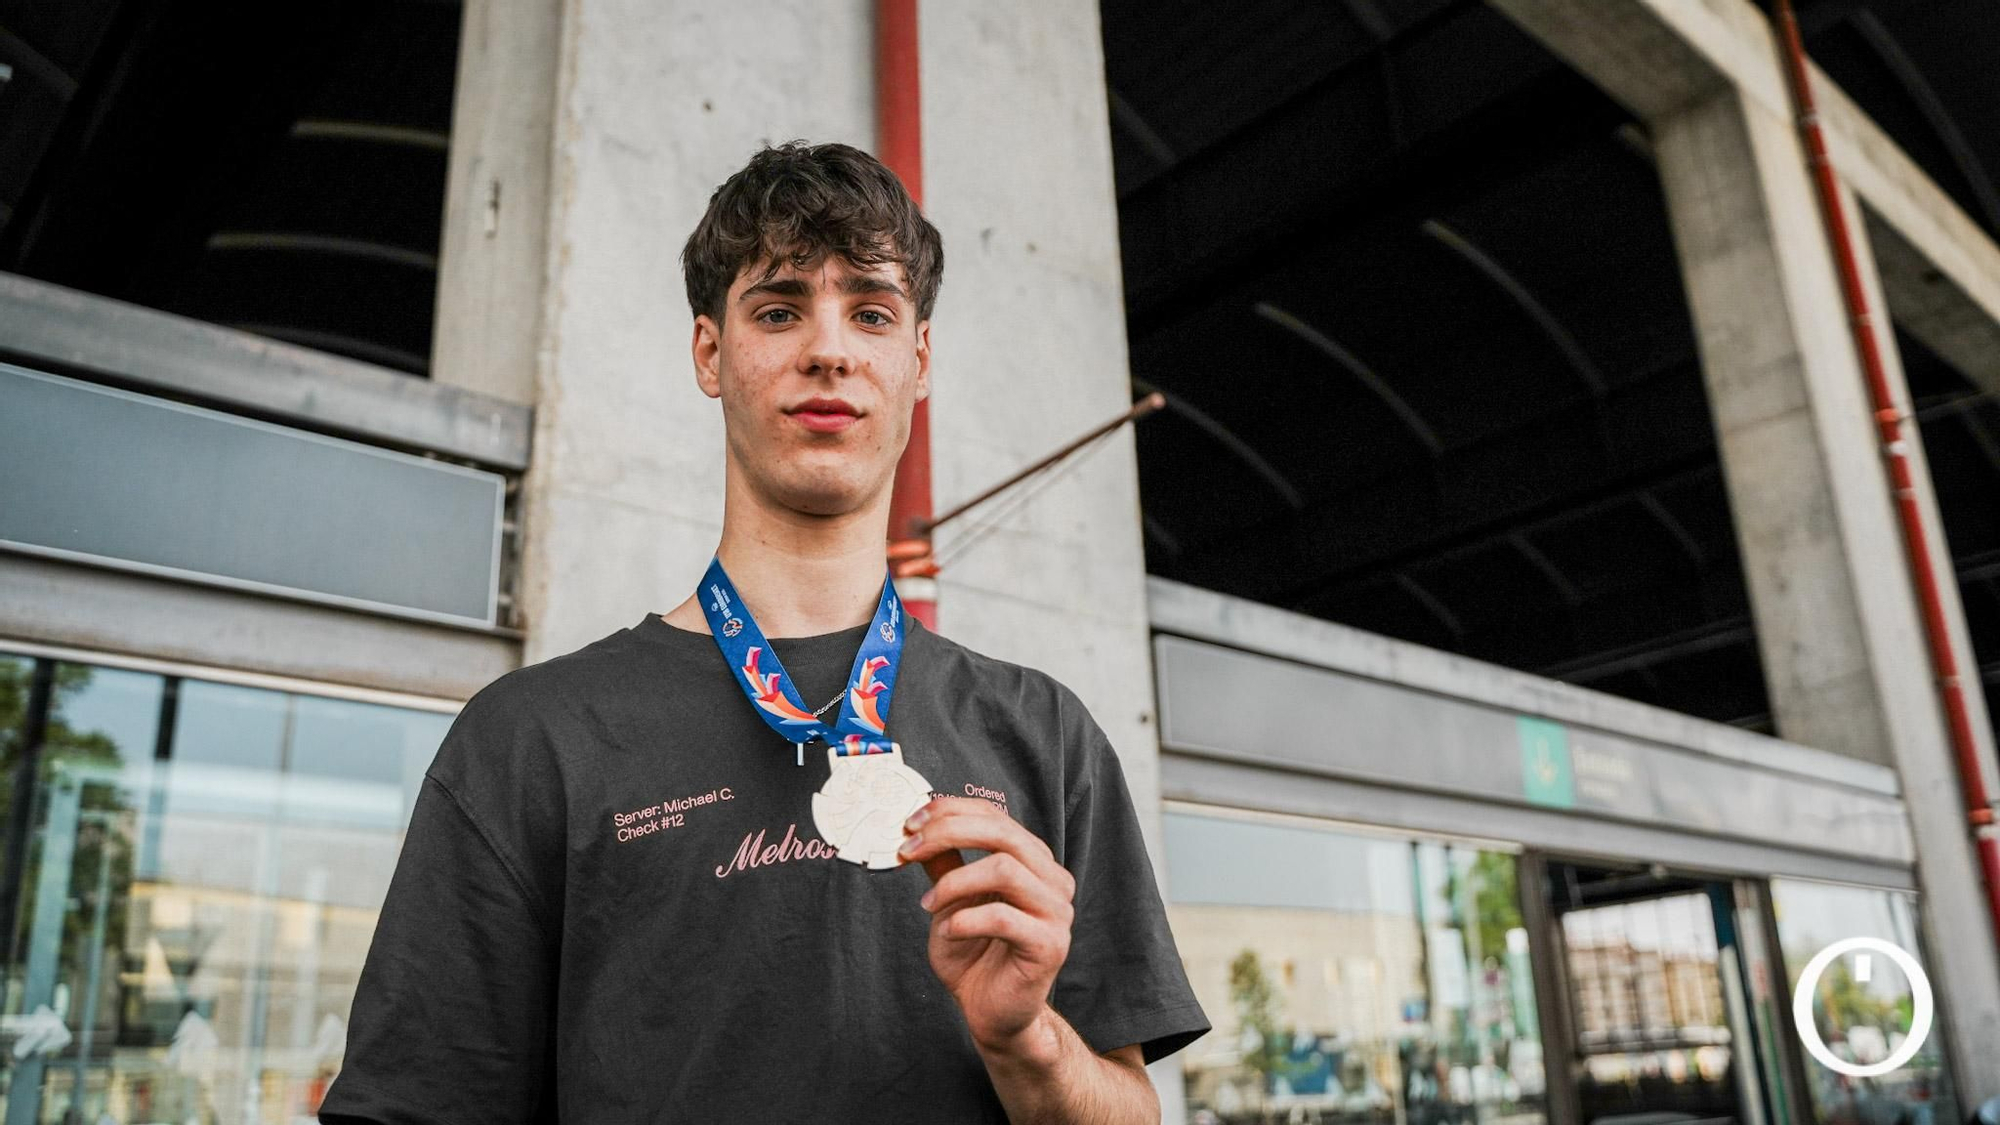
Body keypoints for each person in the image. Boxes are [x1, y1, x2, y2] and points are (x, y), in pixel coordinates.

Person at [318, 140, 1208, 1123]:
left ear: (916, 363)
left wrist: (1026, 1042)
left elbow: (1129, 1108)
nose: (828, 348)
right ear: (709, 353)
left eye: (870, 312)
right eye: (779, 309)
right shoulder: (530, 739)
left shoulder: (1045, 735)